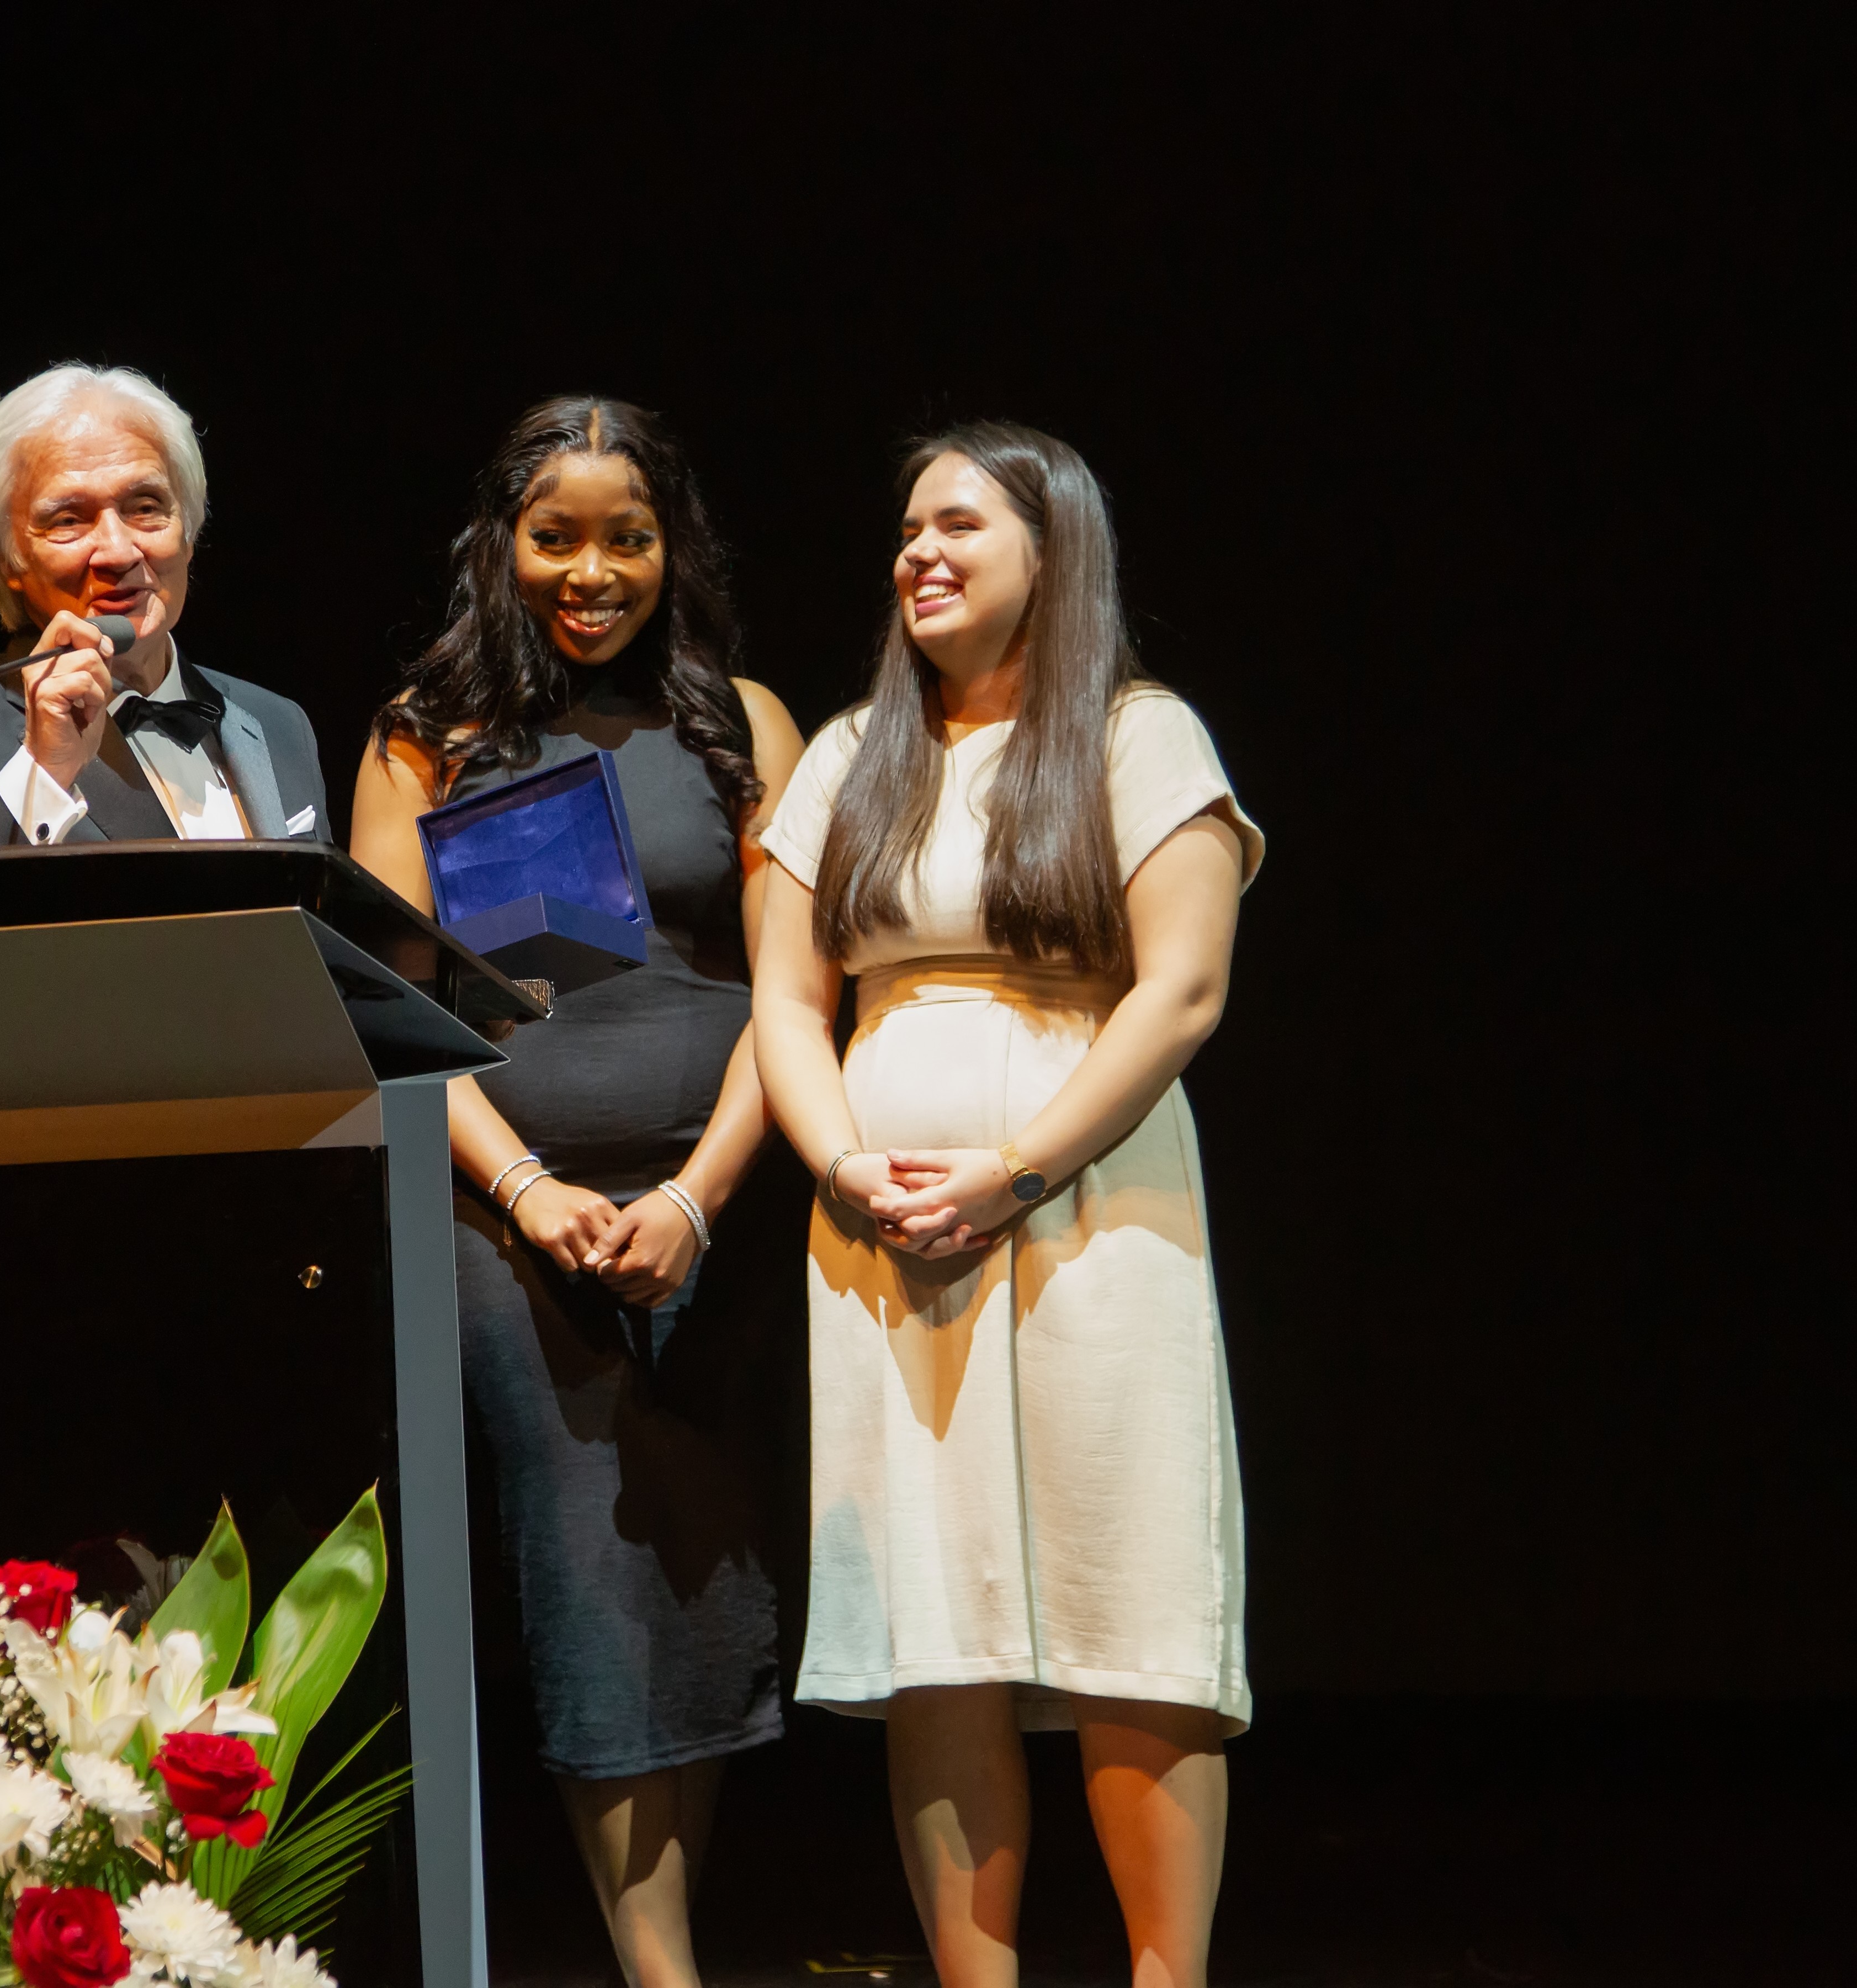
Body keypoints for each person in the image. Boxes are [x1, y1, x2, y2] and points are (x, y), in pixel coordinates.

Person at [750, 422, 1264, 1988]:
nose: (919, 550)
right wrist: (843, 1163)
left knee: (1128, 1587)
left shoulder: (1134, 734)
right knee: (939, 1620)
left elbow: (1179, 991)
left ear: (1053, 549)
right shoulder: (851, 752)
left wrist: (1017, 1167)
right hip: (889, 1243)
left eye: (959, 524)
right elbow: (785, 1003)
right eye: (908, 528)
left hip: (1096, 1212)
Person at [351, 397, 805, 1988]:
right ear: (503, 542)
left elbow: (797, 995)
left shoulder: (739, 720)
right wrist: (530, 1186)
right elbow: (389, 1012)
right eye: (556, 537)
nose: (591, 572)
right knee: (587, 1572)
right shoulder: (426, 733)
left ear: (673, 548)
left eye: (628, 537)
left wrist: (698, 1196)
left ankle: (665, 1943)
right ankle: (658, 1969)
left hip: (717, 1210)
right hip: (506, 1218)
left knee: (702, 1575)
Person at [0, 362, 330, 854]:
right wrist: (42, 772)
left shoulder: (279, 723)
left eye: (145, 507)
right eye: (68, 520)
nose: (119, 552)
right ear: (9, 560)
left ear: (189, 532)